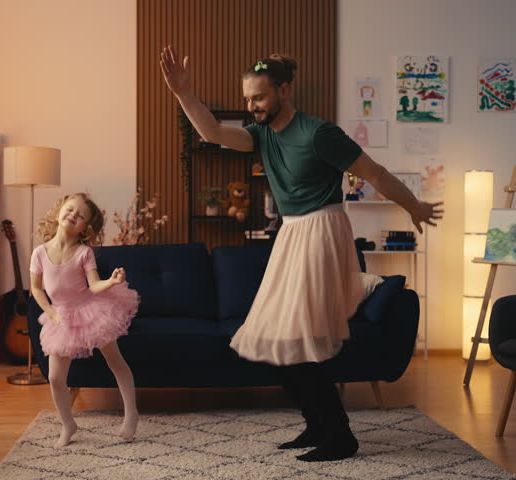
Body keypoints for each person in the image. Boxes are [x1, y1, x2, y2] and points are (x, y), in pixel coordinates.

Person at [160, 46, 443, 462]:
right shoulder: (262, 133)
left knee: (299, 340)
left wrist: (414, 206)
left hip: (323, 231)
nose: (251, 106)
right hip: (292, 234)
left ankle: (340, 436)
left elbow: (377, 173)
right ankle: (317, 424)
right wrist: (183, 93)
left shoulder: (319, 133)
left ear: (283, 90)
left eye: (258, 97)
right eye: (247, 99)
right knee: (279, 338)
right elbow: (213, 134)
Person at [29, 193, 141, 448]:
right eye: (70, 210)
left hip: (90, 310)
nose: (73, 216)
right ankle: (68, 424)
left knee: (115, 360)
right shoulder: (39, 253)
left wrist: (111, 282)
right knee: (56, 378)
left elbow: (93, 285)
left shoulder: (83, 253)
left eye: (80, 216)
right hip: (60, 315)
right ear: (58, 212)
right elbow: (35, 289)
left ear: (85, 228)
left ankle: (131, 413)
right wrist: (51, 311)